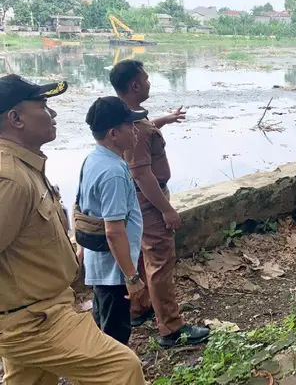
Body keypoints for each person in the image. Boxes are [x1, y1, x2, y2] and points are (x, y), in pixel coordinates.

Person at [0, 75, 145, 384]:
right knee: (122, 369)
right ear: (15, 118)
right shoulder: (10, 178)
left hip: (38, 310)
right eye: (42, 105)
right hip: (35, 321)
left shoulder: (26, 166)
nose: (52, 114)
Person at [110, 59, 209, 347]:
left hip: (137, 201)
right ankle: (171, 328)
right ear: (135, 85)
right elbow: (141, 172)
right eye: (147, 78)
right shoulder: (135, 127)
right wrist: (167, 209)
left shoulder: (127, 119)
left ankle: (139, 307)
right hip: (150, 202)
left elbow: (142, 132)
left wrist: (164, 120)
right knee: (160, 261)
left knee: (141, 255)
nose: (150, 83)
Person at [77, 97, 148, 345]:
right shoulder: (113, 173)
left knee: (103, 328)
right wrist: (132, 278)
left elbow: (83, 210)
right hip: (113, 272)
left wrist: (80, 251)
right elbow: (114, 232)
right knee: (114, 338)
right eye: (130, 125)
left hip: (100, 267)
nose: (136, 130)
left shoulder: (94, 159)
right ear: (114, 133)